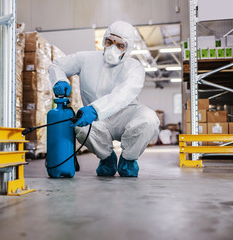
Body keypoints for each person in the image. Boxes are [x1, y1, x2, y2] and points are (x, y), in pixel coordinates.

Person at [48, 20, 160, 177]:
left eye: (120, 45)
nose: (113, 48)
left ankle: (128, 160)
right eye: (109, 42)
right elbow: (57, 65)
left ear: (128, 49)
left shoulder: (134, 67)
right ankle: (107, 159)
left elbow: (123, 94)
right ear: (104, 41)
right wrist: (60, 80)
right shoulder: (86, 59)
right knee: (80, 126)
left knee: (149, 119)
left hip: (125, 116)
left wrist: (95, 109)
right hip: (97, 120)